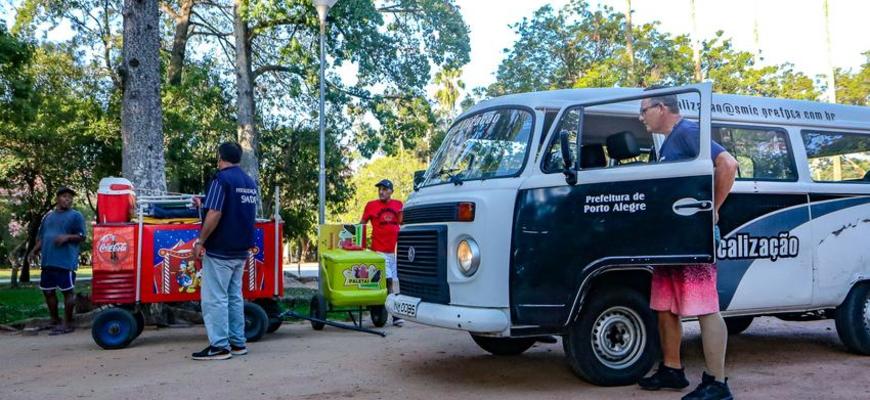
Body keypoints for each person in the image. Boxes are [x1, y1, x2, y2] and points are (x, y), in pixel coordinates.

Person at [636, 89, 739, 400]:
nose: (641, 117)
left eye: (644, 110)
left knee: (706, 308)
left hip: (694, 239)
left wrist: (714, 209)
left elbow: (728, 164)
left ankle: (718, 384)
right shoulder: (669, 143)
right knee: (665, 306)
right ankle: (672, 370)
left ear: (663, 107)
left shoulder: (688, 131)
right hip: (673, 242)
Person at [191, 142, 258, 361]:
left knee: (215, 298)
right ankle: (238, 343)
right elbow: (234, 209)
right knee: (234, 297)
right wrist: (203, 204)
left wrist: (200, 241)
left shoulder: (221, 179)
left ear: (220, 157)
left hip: (220, 250)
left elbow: (216, 212)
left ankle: (219, 346)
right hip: (240, 250)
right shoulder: (249, 182)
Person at [29, 187, 86, 335]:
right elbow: (43, 237)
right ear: (57, 199)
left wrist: (67, 237)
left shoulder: (76, 216)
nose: (68, 199)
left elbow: (81, 236)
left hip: (65, 261)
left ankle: (68, 323)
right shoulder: (48, 217)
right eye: (64, 197)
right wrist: (34, 250)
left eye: (70, 197)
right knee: (48, 291)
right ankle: (54, 320)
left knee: (67, 292)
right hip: (48, 261)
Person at [360, 179, 404, 326]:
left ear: (391, 191)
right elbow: (361, 225)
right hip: (378, 251)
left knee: (394, 283)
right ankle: (395, 315)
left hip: (393, 252)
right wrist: (358, 244)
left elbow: (403, 224)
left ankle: (380, 309)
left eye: (384, 189)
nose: (381, 192)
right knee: (389, 281)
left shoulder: (398, 205)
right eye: (380, 189)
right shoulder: (371, 206)